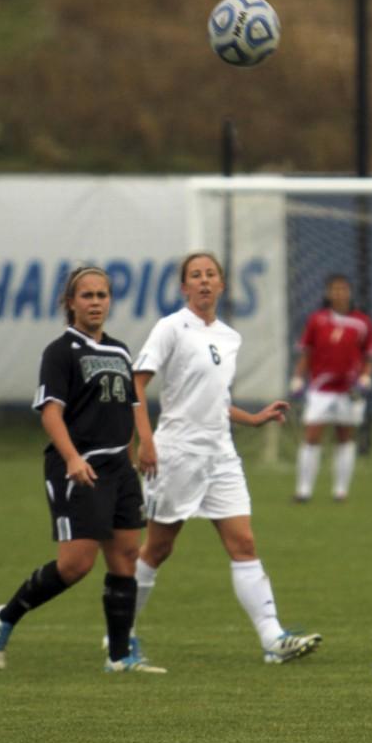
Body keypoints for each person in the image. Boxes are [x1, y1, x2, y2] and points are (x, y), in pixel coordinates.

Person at [130, 251, 322, 667]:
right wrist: (145, 441)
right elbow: (137, 384)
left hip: (220, 454)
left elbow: (213, 398)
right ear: (184, 287)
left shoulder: (229, 336)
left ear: (221, 285)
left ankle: (273, 639)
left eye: (210, 274)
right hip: (177, 453)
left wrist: (250, 419)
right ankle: (121, 634)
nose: (203, 281)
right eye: (195, 275)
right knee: (158, 548)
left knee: (244, 543)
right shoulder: (171, 328)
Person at [0, 266, 164, 673]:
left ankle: (119, 657)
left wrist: (141, 448)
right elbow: (51, 413)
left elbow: (130, 406)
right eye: (87, 296)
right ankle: (6, 616)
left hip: (119, 468)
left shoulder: (119, 351)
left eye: (102, 295)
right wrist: (71, 458)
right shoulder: (60, 351)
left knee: (125, 558)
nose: (96, 302)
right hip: (78, 466)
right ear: (70, 302)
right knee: (76, 564)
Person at [290, 274, 372, 502]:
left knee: (345, 437)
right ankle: (303, 490)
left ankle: (340, 491)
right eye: (334, 289)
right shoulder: (317, 320)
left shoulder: (362, 322)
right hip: (320, 389)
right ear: (328, 293)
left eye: (343, 289)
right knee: (311, 436)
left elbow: (369, 355)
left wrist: (366, 377)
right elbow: (306, 352)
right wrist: (298, 378)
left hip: (349, 390)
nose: (339, 293)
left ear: (349, 292)